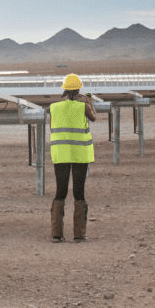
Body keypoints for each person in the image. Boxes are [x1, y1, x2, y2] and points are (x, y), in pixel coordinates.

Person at [49, 73, 96, 242]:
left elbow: (52, 127)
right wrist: (89, 102)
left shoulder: (54, 107)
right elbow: (93, 118)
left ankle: (56, 234)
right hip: (79, 153)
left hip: (61, 153)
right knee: (79, 192)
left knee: (60, 191)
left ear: (64, 89)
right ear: (78, 90)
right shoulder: (82, 106)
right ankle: (79, 234)